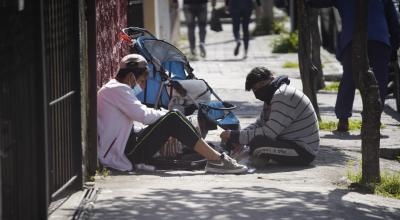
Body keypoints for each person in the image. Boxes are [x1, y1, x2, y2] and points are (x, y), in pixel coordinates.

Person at [97, 54, 247, 174]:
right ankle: (217, 160)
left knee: (173, 119)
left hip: (128, 145)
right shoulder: (117, 90)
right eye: (142, 81)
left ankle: (215, 154)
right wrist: (169, 115)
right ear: (131, 77)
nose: (142, 87)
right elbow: (144, 116)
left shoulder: (113, 89)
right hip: (125, 155)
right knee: (173, 118)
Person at [306, 0, 400, 132]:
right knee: (380, 81)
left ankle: (343, 119)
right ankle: (374, 118)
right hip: (379, 40)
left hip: (352, 39)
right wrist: (393, 47)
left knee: (350, 77)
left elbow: (316, 2)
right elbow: (394, 24)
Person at [220, 67, 320, 166]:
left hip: (303, 151)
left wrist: (237, 137)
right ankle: (255, 156)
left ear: (272, 79)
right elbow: (260, 124)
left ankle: (255, 157)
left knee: (257, 143)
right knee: (237, 141)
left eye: (262, 84)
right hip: (286, 142)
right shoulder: (272, 96)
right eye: (255, 88)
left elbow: (269, 133)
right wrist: (236, 135)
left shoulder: (282, 95)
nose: (258, 89)